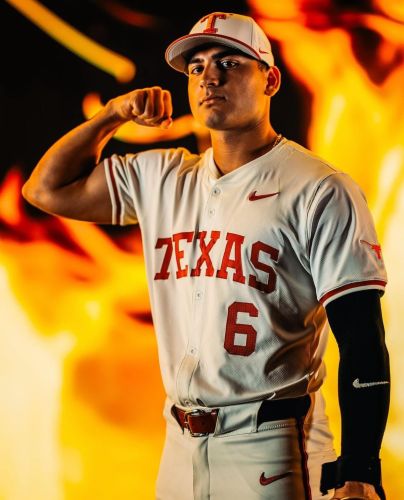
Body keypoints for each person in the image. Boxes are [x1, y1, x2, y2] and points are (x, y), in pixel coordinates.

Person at [22, 11, 390, 500]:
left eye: (229, 63)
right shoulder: (161, 177)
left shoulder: (320, 188)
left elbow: (363, 341)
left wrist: (360, 469)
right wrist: (112, 115)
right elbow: (45, 190)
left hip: (274, 443)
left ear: (270, 80)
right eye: (196, 67)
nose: (209, 77)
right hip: (179, 444)